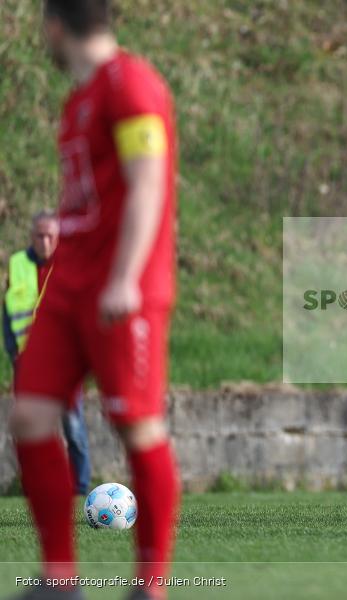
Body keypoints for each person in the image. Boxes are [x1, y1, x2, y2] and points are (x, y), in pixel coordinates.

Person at [10, 1, 180, 599]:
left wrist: (126, 276)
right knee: (29, 413)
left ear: (56, 26)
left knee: (138, 427)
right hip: (70, 285)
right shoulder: (77, 100)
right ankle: (60, 581)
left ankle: (149, 587)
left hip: (120, 287)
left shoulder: (130, 84)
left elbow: (149, 183)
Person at [3, 211, 92, 497]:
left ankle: (80, 488)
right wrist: (14, 353)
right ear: (31, 236)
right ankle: (39, 489)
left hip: (64, 362)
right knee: (32, 430)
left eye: (51, 235)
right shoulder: (17, 265)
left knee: (74, 427)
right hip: (29, 363)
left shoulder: (70, 264)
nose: (45, 241)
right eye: (40, 235)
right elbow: (8, 314)